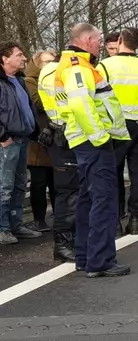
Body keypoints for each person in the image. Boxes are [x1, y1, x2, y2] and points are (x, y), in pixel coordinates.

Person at [54, 23, 131, 277]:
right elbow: (81, 104)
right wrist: (100, 138)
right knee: (104, 200)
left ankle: (86, 256)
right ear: (87, 40)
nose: (101, 44)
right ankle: (101, 261)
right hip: (92, 142)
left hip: (83, 141)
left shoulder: (76, 64)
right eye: (98, 40)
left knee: (88, 200)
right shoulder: (79, 66)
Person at [98, 27, 138, 235]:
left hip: (117, 126)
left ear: (121, 40)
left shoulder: (105, 65)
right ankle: (135, 219)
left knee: (112, 173)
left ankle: (114, 220)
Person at [0, 41, 42, 245]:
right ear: (4, 59)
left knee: (18, 185)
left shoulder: (19, 81)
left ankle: (15, 225)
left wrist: (34, 131)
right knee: (4, 186)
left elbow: (27, 108)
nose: (23, 58)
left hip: (22, 139)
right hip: (7, 142)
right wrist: (2, 137)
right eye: (18, 55)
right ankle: (3, 228)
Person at [39, 51, 78, 262]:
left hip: (63, 135)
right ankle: (63, 243)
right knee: (69, 193)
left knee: (71, 192)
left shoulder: (53, 71)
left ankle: (68, 240)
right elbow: (69, 107)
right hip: (66, 137)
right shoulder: (61, 72)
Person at [24, 49, 57, 233]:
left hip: (55, 135)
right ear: (37, 64)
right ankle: (39, 219)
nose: (50, 66)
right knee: (39, 181)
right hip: (38, 137)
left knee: (56, 181)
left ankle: (59, 215)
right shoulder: (29, 82)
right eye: (46, 62)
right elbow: (38, 104)